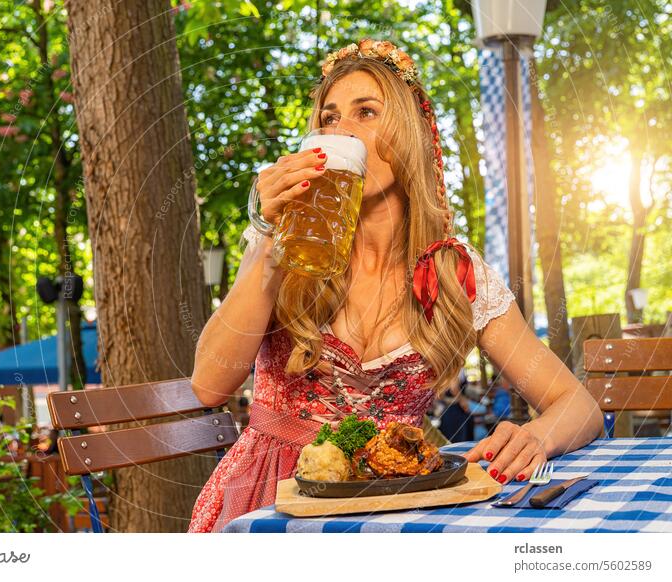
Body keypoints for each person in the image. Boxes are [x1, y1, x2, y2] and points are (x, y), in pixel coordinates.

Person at [187, 39, 603, 533]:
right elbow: (208, 386)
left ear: (410, 134)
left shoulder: (451, 271)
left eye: (366, 112)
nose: (340, 130)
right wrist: (271, 241)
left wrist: (538, 436)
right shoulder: (284, 246)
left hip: (390, 508)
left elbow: (579, 407)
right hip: (269, 500)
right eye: (329, 117)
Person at [438, 372, 474, 443]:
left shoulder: (444, 373)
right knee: (460, 441)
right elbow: (454, 388)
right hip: (457, 411)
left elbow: (440, 395)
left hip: (447, 410)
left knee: (449, 440)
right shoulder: (455, 370)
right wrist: (462, 401)